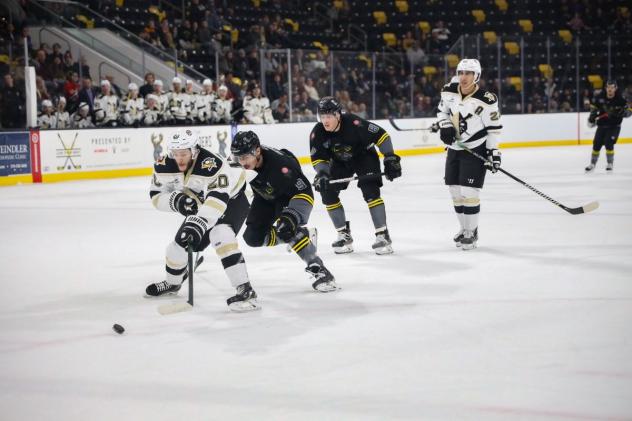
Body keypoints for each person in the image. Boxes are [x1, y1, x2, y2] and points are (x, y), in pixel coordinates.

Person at [145, 129, 259, 311]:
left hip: (233, 199)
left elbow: (218, 199)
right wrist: (177, 201)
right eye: (176, 154)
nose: (179, 158)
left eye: (184, 154)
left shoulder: (212, 163)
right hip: (202, 202)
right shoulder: (164, 164)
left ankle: (246, 290)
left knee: (220, 235)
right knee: (179, 245)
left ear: (194, 151)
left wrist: (198, 224)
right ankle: (172, 283)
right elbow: (156, 196)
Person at [230, 131, 338, 292]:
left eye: (245, 157)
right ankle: (302, 236)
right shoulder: (238, 160)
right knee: (253, 238)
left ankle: (320, 269)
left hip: (290, 195)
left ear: (257, 151)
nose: (241, 162)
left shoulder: (282, 167)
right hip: (265, 195)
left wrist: (292, 218)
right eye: (238, 157)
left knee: (286, 227)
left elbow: (304, 192)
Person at [309, 97, 402, 255]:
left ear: (338, 115)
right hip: (339, 162)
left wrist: (390, 157)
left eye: (329, 116)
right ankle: (343, 234)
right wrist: (323, 174)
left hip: (364, 157)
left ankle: (382, 235)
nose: (325, 121)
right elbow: (319, 159)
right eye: (322, 116)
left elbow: (382, 135)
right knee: (328, 192)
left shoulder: (354, 123)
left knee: (370, 191)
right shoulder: (317, 132)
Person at [437, 58, 502, 250]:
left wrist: (494, 153)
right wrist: (446, 125)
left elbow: (493, 129)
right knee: (455, 192)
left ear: (477, 76)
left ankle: (472, 232)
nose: (464, 77)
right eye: (461, 73)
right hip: (455, 149)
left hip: (475, 149)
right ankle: (464, 228)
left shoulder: (487, 100)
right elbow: (442, 111)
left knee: (469, 192)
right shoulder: (448, 91)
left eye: (469, 73)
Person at [585, 79, 631, 172]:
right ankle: (592, 164)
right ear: (606, 88)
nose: (610, 89)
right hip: (601, 126)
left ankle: (610, 163)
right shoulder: (599, 97)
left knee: (608, 143)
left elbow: (629, 111)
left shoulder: (620, 99)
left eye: (612, 87)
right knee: (596, 144)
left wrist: (624, 113)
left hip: (614, 126)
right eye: (608, 87)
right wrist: (592, 117)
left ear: (615, 88)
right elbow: (594, 109)